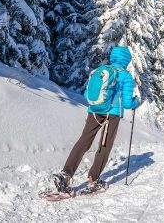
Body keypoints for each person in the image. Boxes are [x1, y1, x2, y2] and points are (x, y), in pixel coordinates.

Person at [53, 46, 140, 194]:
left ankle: (65, 175)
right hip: (111, 114)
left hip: (93, 111)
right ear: (127, 60)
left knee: (84, 141)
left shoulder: (100, 70)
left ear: (113, 57)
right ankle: (94, 179)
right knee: (104, 146)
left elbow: (87, 94)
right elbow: (126, 104)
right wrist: (135, 102)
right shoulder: (126, 76)